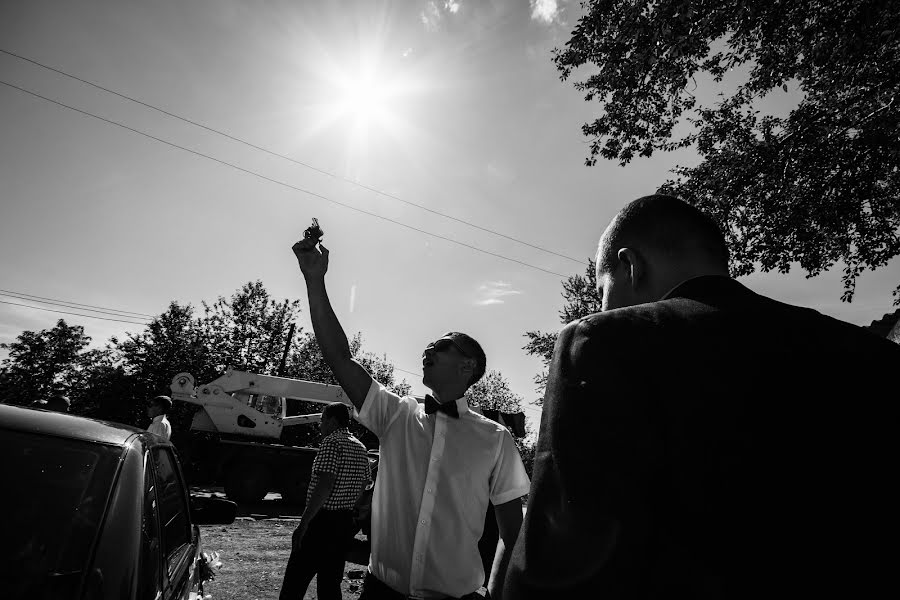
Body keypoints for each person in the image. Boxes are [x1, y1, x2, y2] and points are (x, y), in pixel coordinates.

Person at [505, 194, 900, 598]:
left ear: (630, 266)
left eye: (602, 289)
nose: (601, 305)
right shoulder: (871, 353)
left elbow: (563, 556)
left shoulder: (607, 341)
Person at [292, 231, 530, 600]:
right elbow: (341, 358)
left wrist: (498, 592)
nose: (428, 348)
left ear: (468, 365)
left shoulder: (496, 439)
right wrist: (314, 280)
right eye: (429, 344)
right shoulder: (396, 414)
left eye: (443, 346)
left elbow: (512, 533)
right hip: (379, 593)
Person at [279, 402, 371, 600]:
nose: (320, 425)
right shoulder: (361, 448)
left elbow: (325, 484)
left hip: (321, 523)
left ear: (333, 421)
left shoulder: (331, 443)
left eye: (322, 420)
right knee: (330, 584)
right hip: (343, 524)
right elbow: (364, 483)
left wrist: (304, 524)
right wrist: (345, 504)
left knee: (294, 583)